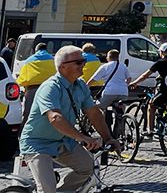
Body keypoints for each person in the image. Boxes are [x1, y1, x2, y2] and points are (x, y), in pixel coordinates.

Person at [18, 45, 117, 193]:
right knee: (47, 190)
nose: (84, 64)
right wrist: (83, 138)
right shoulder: (50, 87)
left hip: (64, 141)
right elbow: (55, 118)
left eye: (83, 61)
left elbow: (94, 113)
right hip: (37, 143)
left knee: (88, 169)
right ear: (63, 66)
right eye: (79, 62)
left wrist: (108, 138)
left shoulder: (81, 85)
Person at [128, 43, 167, 134]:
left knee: (151, 105)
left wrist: (135, 83)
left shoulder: (160, 62)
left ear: (161, 52)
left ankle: (150, 130)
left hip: (165, 91)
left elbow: (145, 75)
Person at [17, 42, 56, 126]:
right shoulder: (53, 60)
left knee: (28, 113)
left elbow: (22, 79)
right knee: (49, 113)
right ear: (46, 49)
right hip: (49, 89)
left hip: (32, 90)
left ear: (36, 50)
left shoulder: (29, 60)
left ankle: (23, 133)